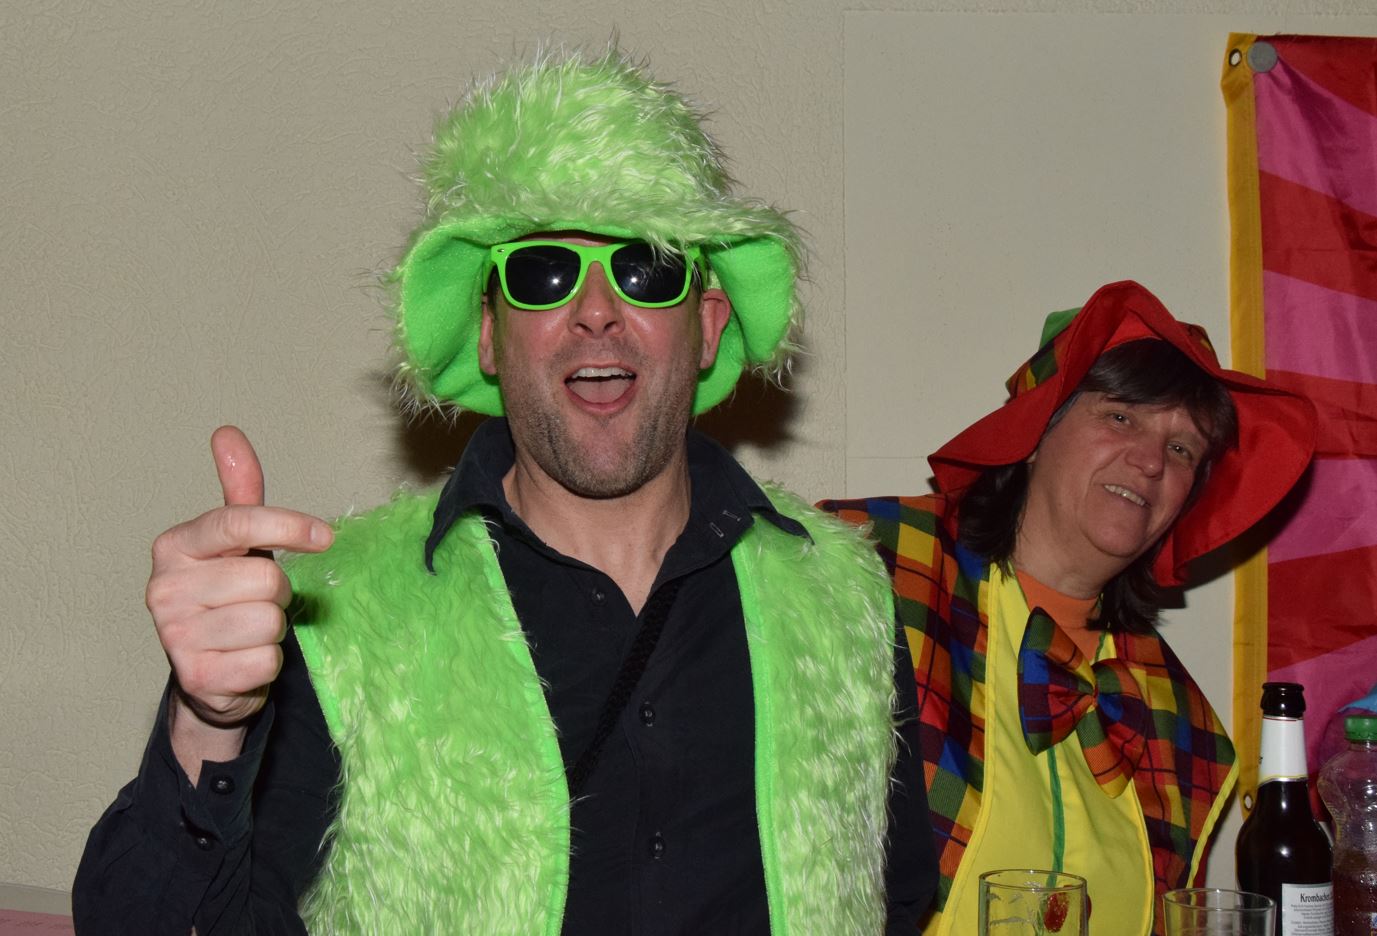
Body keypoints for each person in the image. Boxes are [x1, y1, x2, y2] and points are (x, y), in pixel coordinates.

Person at [73, 49, 937, 933]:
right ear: (488, 335)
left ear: (707, 326)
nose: (596, 310)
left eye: (646, 268)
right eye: (541, 272)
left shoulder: (844, 596)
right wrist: (206, 724)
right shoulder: (336, 618)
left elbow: (899, 902)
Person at [821, 281, 1316, 935]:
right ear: (1036, 431)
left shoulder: (1183, 721)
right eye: (1122, 418)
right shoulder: (869, 570)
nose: (1150, 462)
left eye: (1181, 449)